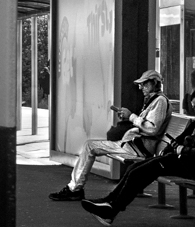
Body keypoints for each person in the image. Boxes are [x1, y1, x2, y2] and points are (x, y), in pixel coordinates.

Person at [79, 87, 195, 227]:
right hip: (180, 160)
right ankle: (109, 202)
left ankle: (111, 210)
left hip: (188, 166)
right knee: (134, 167)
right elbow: (182, 138)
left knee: (139, 172)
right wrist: (169, 149)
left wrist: (183, 150)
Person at [50, 69, 169, 201]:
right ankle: (74, 188)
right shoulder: (154, 100)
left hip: (137, 148)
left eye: (144, 84)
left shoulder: (160, 101)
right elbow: (147, 126)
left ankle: (74, 189)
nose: (140, 87)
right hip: (133, 145)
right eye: (140, 84)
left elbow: (152, 128)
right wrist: (127, 117)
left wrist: (131, 116)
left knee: (89, 146)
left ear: (154, 83)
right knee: (89, 145)